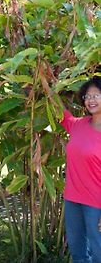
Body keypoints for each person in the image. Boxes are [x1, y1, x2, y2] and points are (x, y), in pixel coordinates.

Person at [59, 76, 101, 263]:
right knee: (78, 252)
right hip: (73, 199)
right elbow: (60, 112)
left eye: (96, 95)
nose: (91, 100)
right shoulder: (78, 124)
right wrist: (42, 85)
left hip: (96, 203)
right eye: (87, 96)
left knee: (98, 252)